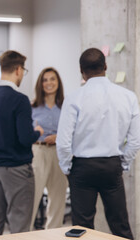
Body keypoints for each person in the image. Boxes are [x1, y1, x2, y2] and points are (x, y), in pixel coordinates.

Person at [56, 48, 140, 239]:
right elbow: (135, 140)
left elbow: (63, 142)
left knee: (81, 229)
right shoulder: (128, 96)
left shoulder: (74, 98)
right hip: (112, 165)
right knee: (120, 225)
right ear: (105, 66)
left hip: (82, 167)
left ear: (81, 70)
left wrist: (67, 167)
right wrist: (123, 163)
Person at [0, 50, 44, 236]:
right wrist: (37, 132)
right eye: (23, 70)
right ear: (18, 69)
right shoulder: (20, 100)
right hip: (16, 169)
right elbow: (25, 138)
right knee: (19, 222)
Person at [30, 67, 68, 230]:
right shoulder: (32, 106)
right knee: (33, 197)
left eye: (52, 79)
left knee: (58, 200)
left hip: (59, 153)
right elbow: (25, 132)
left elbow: (72, 130)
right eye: (45, 80)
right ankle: (27, 233)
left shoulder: (66, 106)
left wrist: (58, 137)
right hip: (37, 152)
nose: (49, 83)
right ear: (41, 84)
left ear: (58, 83)